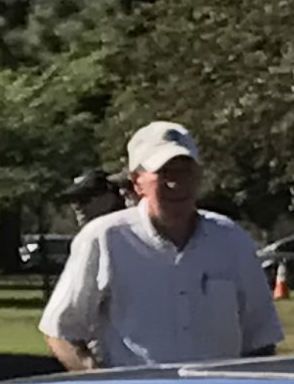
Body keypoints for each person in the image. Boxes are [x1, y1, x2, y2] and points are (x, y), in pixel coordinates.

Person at [38, 121, 280, 371]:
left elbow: (261, 337)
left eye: (185, 172)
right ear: (137, 182)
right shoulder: (105, 238)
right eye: (165, 173)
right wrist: (101, 381)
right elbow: (60, 331)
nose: (176, 183)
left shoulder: (231, 239)